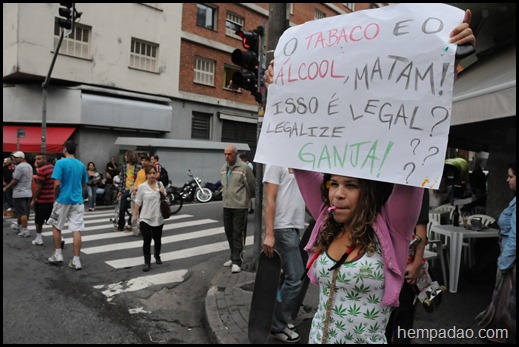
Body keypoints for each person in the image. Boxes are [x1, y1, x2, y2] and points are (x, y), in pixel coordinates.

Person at [263, 10, 475, 343]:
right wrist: (280, 92)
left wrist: (446, 65)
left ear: (370, 192)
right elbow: (299, 153)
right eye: (333, 184)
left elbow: (413, 150)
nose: (337, 194)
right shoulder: (325, 219)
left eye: (351, 186)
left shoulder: (391, 228)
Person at [263, 165, 306, 343]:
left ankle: (275, 320)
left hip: (295, 226)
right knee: (295, 279)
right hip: (282, 227)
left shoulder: (301, 160)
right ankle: (277, 325)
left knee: (285, 279)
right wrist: (269, 234)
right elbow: (270, 199)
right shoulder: (275, 162)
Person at [475, 162, 516, 343]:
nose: (507, 179)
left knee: (507, 301)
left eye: (511, 176)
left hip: (510, 258)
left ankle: (503, 335)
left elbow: (515, 237)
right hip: (508, 255)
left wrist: (503, 264)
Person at [385, 192, 429, 344]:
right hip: (380, 264)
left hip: (405, 266)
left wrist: (416, 263)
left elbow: (421, 229)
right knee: (383, 321)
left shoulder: (419, 184)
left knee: (403, 316)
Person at [47, 141, 88, 270]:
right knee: (76, 229)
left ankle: (58, 254)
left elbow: (57, 184)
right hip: (77, 201)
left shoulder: (60, 163)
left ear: (64, 149)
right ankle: (76, 260)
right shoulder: (81, 165)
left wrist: (55, 198)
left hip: (63, 199)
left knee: (56, 226)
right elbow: (83, 183)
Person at [220, 144, 256, 273]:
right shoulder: (224, 168)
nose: (226, 157)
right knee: (229, 232)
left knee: (238, 234)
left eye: (229, 154)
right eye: (225, 154)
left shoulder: (244, 167)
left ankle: (237, 260)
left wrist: (247, 199)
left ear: (236, 154)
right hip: (227, 205)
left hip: (239, 206)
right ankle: (232, 256)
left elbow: (252, 185)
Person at [131, 164, 166, 272]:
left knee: (157, 239)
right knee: (147, 240)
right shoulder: (142, 187)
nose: (151, 175)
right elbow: (138, 201)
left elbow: (165, 198)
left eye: (153, 173)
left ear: (156, 174)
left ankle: (157, 255)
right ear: (146, 175)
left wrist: (161, 192)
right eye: (149, 173)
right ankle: (147, 262)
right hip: (145, 218)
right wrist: (135, 215)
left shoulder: (160, 184)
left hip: (158, 217)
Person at [3, 151, 33, 238]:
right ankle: (19, 226)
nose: (14, 159)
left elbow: (15, 180)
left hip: (19, 192)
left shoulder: (19, 167)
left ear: (21, 158)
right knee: (23, 212)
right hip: (28, 192)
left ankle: (25, 230)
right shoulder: (29, 166)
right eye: (13, 158)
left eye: (16, 158)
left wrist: (6, 188)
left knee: (22, 212)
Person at [30, 153, 55, 246]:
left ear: (45, 159)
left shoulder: (41, 170)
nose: (37, 161)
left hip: (42, 200)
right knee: (53, 221)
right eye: (36, 159)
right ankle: (60, 238)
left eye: (39, 159)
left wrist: (33, 199)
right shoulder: (53, 168)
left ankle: (39, 238)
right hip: (52, 200)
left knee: (38, 221)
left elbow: (38, 187)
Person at [117, 150, 141, 231]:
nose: (125, 157)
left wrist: (136, 188)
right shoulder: (124, 166)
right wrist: (120, 190)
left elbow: (139, 179)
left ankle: (130, 224)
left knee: (133, 209)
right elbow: (122, 179)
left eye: (126, 156)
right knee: (122, 208)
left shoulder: (138, 167)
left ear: (131, 156)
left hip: (134, 190)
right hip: (126, 189)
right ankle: (121, 225)